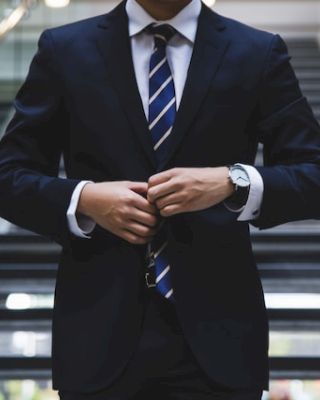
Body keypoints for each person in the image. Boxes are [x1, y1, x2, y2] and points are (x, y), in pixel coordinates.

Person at [0, 0, 320, 398]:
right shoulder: (64, 49)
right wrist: (84, 198)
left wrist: (233, 181)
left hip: (221, 341)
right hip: (97, 338)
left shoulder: (257, 51)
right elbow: (8, 177)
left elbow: (312, 174)